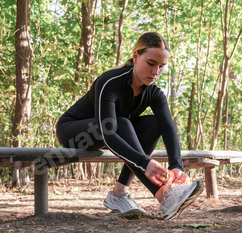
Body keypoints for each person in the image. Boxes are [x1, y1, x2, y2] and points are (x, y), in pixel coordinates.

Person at [56, 32, 204, 220]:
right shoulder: (109, 82)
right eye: (150, 64)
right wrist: (144, 162)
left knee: (153, 124)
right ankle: (164, 196)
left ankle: (119, 194)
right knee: (120, 123)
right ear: (135, 57)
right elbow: (107, 133)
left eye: (161, 67)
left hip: (112, 129)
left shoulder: (155, 93)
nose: (155, 72)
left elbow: (168, 128)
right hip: (73, 132)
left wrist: (177, 166)